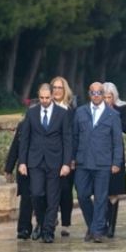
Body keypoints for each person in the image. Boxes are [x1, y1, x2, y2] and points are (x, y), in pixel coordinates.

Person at [16, 84, 72, 243]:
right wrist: (22, 162)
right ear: (38, 97)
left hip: (55, 161)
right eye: (42, 98)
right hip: (35, 161)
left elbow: (67, 139)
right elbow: (25, 138)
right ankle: (41, 222)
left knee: (53, 198)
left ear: (52, 96)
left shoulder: (62, 114)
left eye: (47, 98)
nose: (45, 101)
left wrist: (66, 163)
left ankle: (48, 230)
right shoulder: (32, 113)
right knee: (36, 193)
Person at [71, 82, 124, 243]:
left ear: (104, 94)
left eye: (99, 93)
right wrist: (71, 159)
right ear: (89, 94)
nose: (96, 96)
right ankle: (94, 225)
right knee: (82, 195)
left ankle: (97, 231)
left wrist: (116, 162)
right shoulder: (80, 112)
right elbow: (74, 137)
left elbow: (117, 141)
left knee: (101, 197)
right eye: (93, 93)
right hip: (83, 161)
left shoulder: (112, 115)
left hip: (103, 162)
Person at [102, 82, 126, 237]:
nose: (107, 99)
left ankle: (111, 226)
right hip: (101, 152)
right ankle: (103, 221)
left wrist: (115, 114)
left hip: (116, 152)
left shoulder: (121, 108)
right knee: (102, 189)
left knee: (114, 190)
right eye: (105, 96)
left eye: (110, 96)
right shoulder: (96, 110)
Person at [49, 76, 77, 238]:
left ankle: (65, 222)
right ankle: (50, 219)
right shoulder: (45, 108)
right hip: (50, 156)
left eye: (60, 88)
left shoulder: (70, 111)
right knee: (50, 190)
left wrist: (72, 159)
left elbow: (73, 136)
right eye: (55, 88)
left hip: (66, 157)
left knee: (65, 191)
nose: (57, 91)